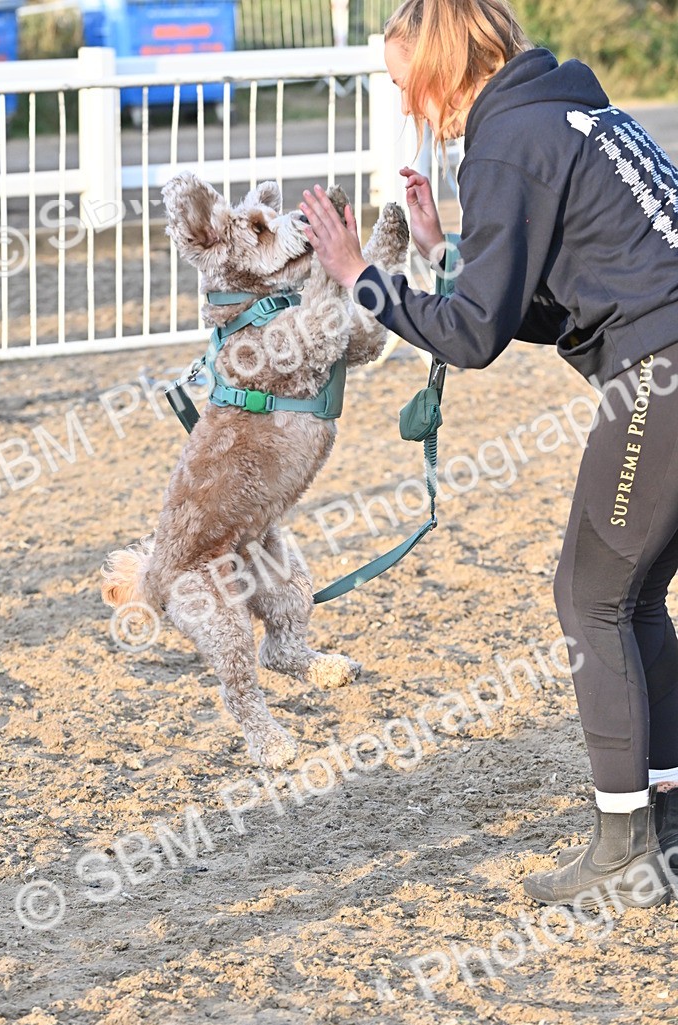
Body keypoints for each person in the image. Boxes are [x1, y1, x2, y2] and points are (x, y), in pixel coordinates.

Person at [300, 0, 678, 909]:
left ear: (436, 69)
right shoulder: (571, 108)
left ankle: (626, 846)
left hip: (662, 380)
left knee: (589, 600)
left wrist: (364, 278)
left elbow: (472, 339)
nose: (404, 104)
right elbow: (542, 305)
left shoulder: (506, 142)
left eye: (402, 84)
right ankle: (661, 823)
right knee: (633, 600)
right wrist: (450, 250)